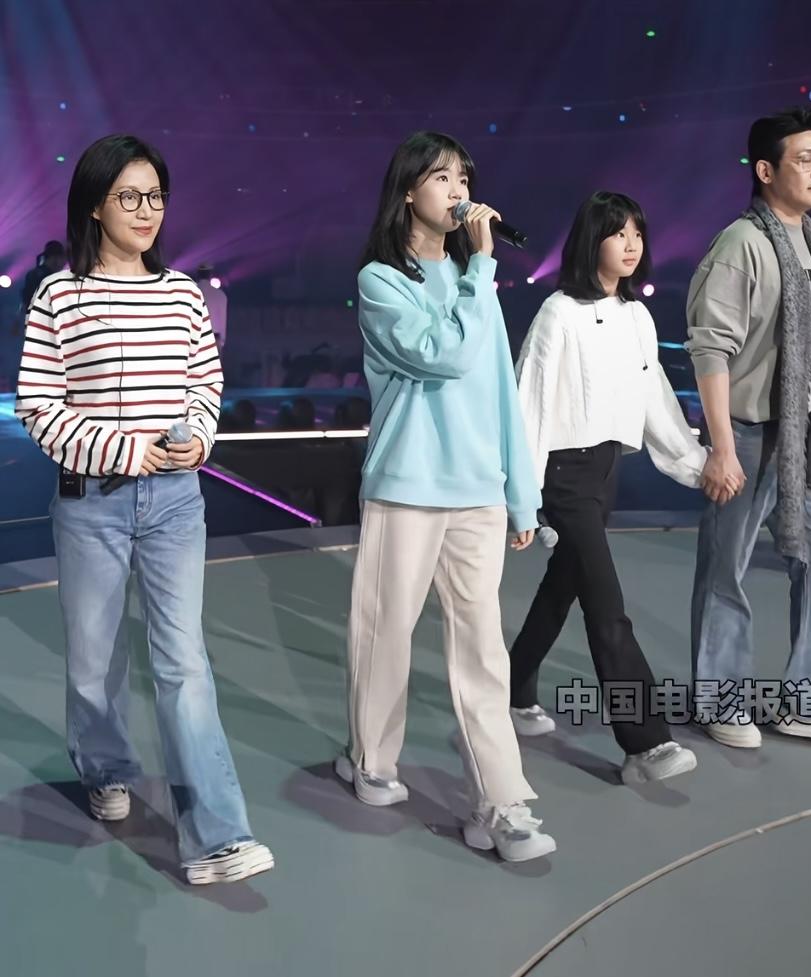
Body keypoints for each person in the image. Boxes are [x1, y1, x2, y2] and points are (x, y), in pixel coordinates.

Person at [15, 134, 273, 884]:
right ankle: (103, 766)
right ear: (96, 205)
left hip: (176, 504)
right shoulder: (60, 295)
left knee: (184, 661)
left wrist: (197, 436)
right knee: (94, 663)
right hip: (90, 502)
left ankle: (218, 835)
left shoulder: (184, 294)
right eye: (129, 196)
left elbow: (204, 382)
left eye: (156, 196)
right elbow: (39, 406)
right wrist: (125, 450)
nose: (146, 209)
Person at [335, 131, 555, 862]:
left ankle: (501, 803)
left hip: (477, 490)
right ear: (408, 191)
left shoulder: (474, 281)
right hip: (408, 484)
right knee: (384, 630)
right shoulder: (381, 281)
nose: (459, 190)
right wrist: (481, 267)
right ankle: (371, 759)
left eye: (464, 177)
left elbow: (500, 393)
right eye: (441, 177)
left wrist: (521, 496)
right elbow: (444, 355)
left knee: (483, 647)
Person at [510, 191, 703, 785]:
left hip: (605, 470)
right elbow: (529, 403)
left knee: (563, 589)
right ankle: (645, 744)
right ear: (591, 239)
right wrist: (523, 497)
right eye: (618, 233)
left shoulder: (636, 316)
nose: (631, 244)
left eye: (637, 233)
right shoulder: (559, 313)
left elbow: (654, 397)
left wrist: (694, 463)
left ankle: (511, 690)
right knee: (607, 606)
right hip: (563, 476)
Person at [687, 107, 811, 748]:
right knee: (727, 571)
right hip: (746, 433)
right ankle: (721, 701)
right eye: (804, 159)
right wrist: (721, 447)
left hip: (803, 440)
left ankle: (807, 703)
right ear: (766, 171)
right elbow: (710, 348)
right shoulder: (741, 243)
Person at [196, 264, 228, 354]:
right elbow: (222, 319)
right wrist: (221, 341)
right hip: (214, 339)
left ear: (197, 274)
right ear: (210, 275)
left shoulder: (189, 292)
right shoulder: (220, 295)